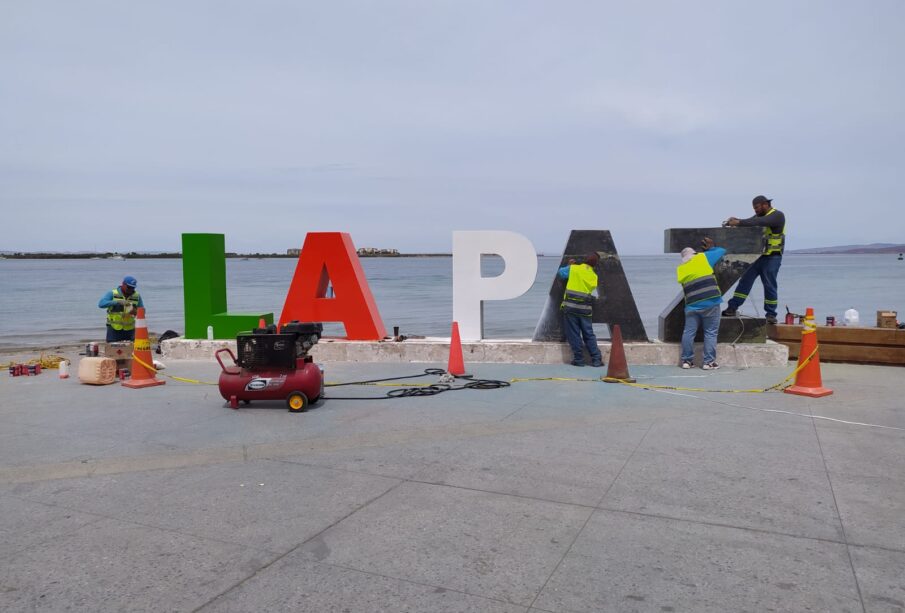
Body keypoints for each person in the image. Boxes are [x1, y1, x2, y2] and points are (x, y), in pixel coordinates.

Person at [722, 195, 786, 324]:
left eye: (756, 207)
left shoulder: (777, 216)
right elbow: (749, 222)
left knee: (769, 285)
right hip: (757, 257)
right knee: (745, 281)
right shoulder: (759, 216)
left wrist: (739, 222)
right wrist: (736, 222)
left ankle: (771, 314)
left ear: (765, 204)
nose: (755, 211)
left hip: (772, 257)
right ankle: (732, 307)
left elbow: (758, 222)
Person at [677, 238, 726, 370]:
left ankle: (687, 361)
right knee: (710, 333)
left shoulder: (681, 269)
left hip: (692, 305)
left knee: (688, 332)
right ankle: (708, 362)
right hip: (711, 302)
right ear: (694, 254)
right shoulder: (703, 258)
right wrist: (710, 248)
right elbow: (722, 250)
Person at [558, 253, 604, 367]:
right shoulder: (594, 276)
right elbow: (592, 291)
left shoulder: (574, 268)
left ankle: (579, 360)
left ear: (584, 260)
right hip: (585, 309)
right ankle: (596, 359)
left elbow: (561, 273)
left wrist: (569, 264)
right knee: (588, 334)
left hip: (570, 308)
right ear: (595, 264)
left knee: (574, 334)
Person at [98, 276, 144, 341]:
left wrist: (135, 311)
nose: (131, 290)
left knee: (131, 349)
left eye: (133, 288)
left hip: (130, 329)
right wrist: (117, 302)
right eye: (129, 287)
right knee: (113, 349)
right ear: (123, 284)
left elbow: (142, 311)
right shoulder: (113, 293)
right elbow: (101, 304)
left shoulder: (137, 296)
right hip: (114, 328)